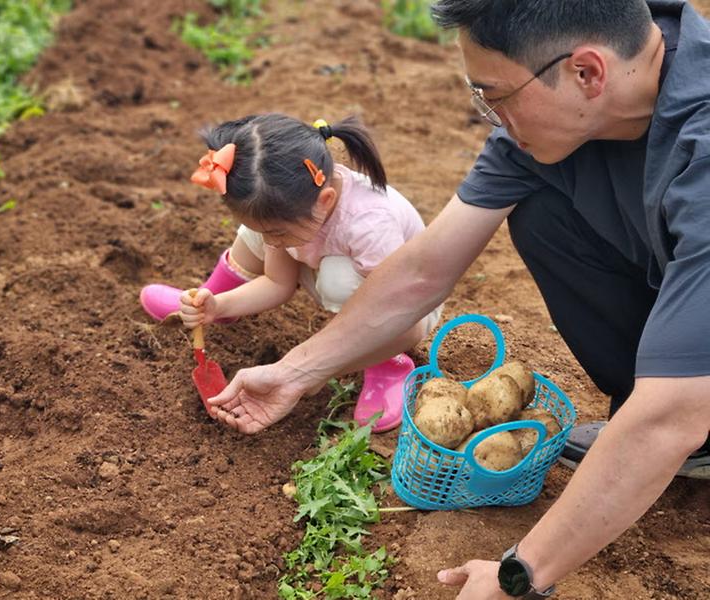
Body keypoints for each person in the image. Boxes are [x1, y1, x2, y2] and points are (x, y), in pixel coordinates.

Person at [207, 0, 710, 597]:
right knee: (544, 213)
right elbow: (424, 270)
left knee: (674, 412)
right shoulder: (553, 123)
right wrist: (296, 372)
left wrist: (522, 574)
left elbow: (670, 414)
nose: (490, 117)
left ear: (586, 73)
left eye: (493, 95)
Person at [139, 113, 442, 432]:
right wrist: (219, 306)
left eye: (278, 234)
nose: (272, 242)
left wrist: (315, 368)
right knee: (261, 230)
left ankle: (387, 364)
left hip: (404, 312)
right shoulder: (294, 204)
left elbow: (409, 322)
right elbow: (277, 282)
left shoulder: (369, 225)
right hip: (321, 254)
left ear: (325, 201)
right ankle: (215, 294)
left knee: (338, 279)